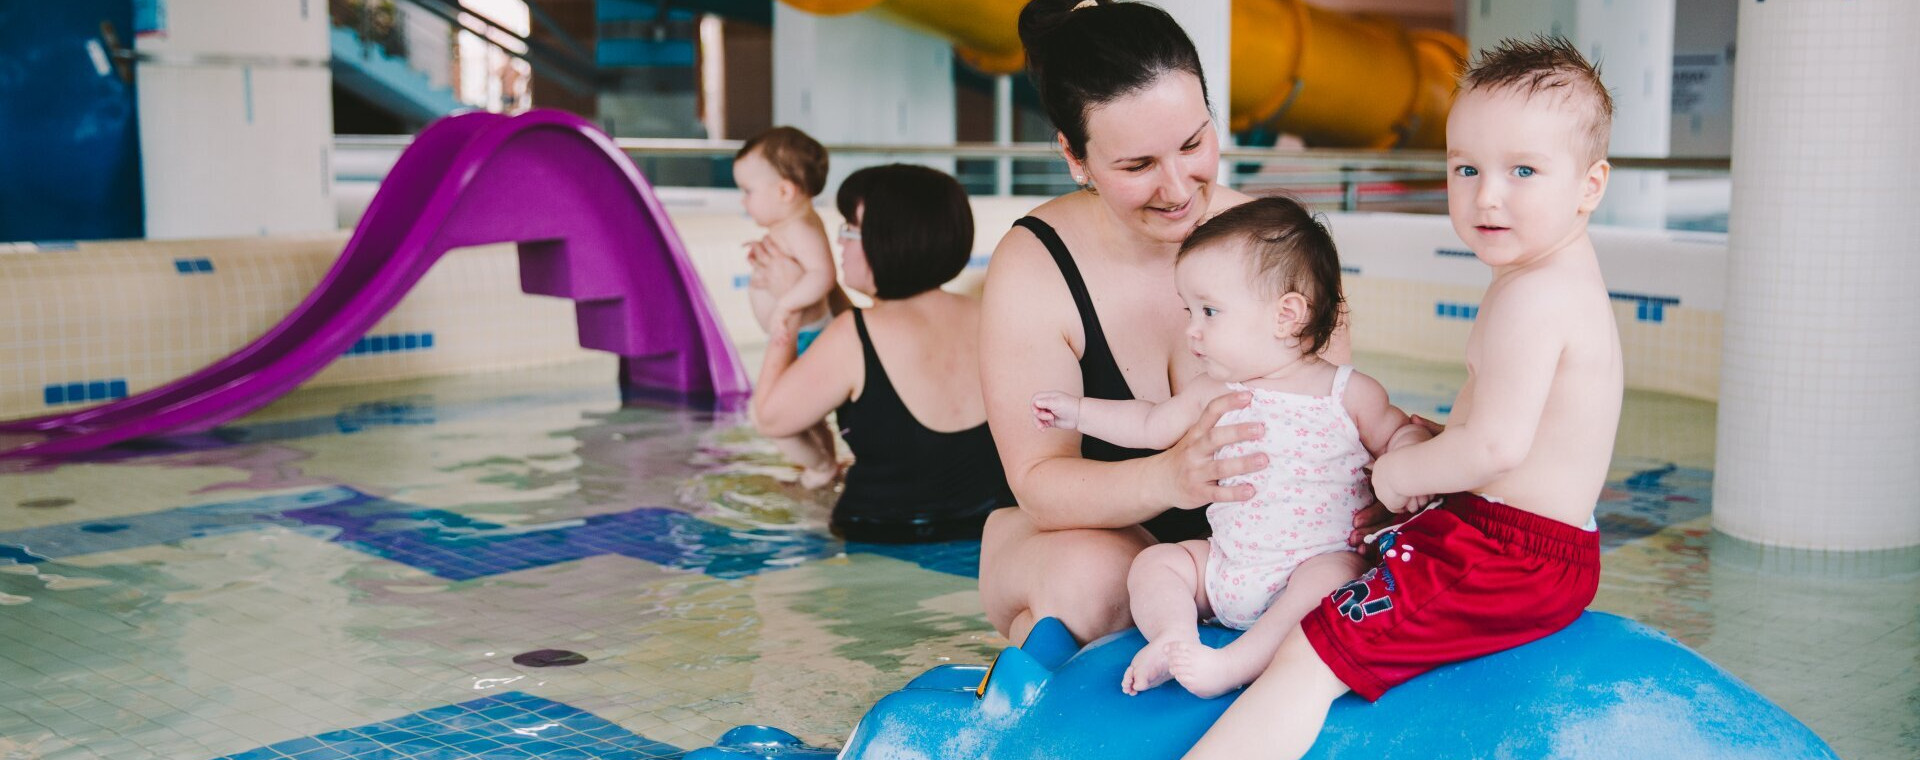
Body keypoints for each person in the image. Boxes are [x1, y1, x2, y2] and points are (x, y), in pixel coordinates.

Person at [1185, 36, 1624, 759]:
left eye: (1523, 170)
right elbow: (1523, 433)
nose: (1487, 195)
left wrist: (1399, 472)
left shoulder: (1535, 297)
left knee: (1311, 653)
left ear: (1590, 185)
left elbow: (1496, 447)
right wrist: (1432, 444)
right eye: (1466, 168)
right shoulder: (1551, 275)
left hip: (1510, 558)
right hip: (1526, 540)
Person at [979, 0, 1390, 647]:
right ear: (1075, 158)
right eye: (1137, 166)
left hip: (1248, 550)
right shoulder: (1035, 266)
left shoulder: (1281, 252)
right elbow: (1038, 482)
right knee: (1099, 585)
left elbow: (1333, 423)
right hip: (1075, 537)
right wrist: (1169, 476)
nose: (1177, 188)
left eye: (1194, 145)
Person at [1032, 198, 1431, 699]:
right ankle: (1173, 637)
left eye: (1209, 311)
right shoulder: (1213, 389)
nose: (1191, 329)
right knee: (1158, 564)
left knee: (1337, 575)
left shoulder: (1348, 393)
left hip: (1310, 568)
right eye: (1189, 311)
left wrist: (1411, 463)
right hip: (1225, 568)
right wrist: (1078, 412)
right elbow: (1150, 424)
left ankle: (1233, 664)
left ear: (1286, 315)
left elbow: (1400, 435)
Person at [750, 164, 1012, 542]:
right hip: (989, 532)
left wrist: (787, 310)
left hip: (877, 537)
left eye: (849, 230)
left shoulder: (853, 335)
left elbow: (770, 418)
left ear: (887, 240)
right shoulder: (991, 314)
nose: (840, 243)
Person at [734, 126, 841, 488]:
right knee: (806, 418)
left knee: (775, 420)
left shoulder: (801, 228)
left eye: (747, 191)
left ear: (784, 191)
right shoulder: (791, 224)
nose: (742, 201)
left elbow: (822, 275)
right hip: (801, 340)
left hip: (807, 339)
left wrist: (785, 305)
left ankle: (820, 467)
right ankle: (826, 465)